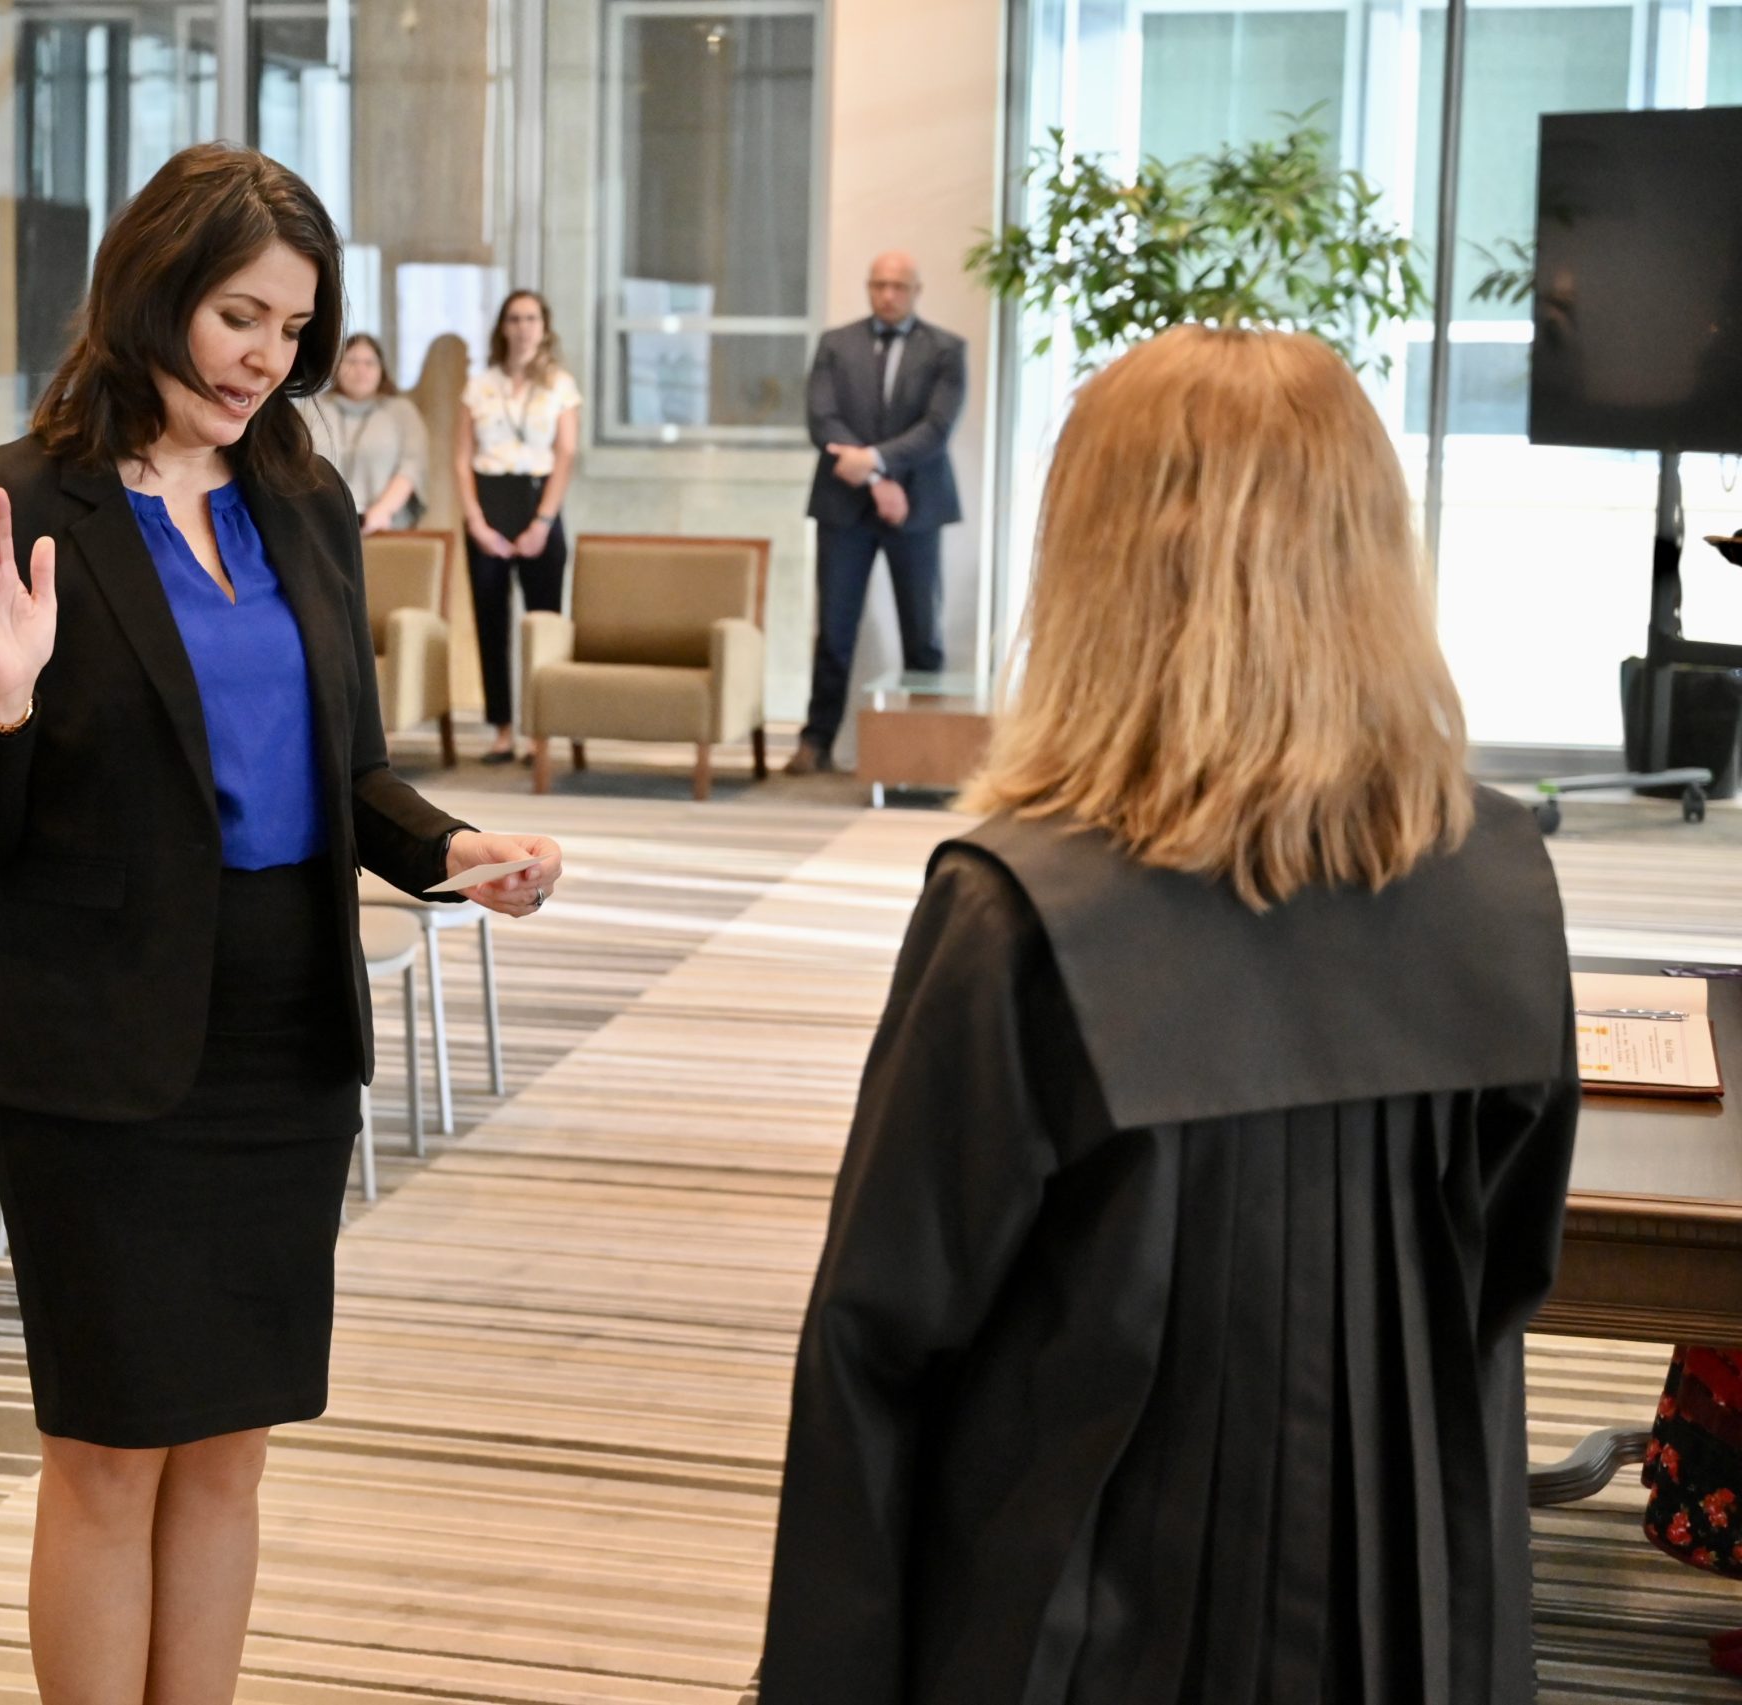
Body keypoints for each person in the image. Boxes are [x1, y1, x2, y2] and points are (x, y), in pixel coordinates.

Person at [758, 327, 1579, 1702]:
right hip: (1418, 1605)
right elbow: (1502, 1273)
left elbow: (881, 1345)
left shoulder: (1020, 910)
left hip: (1086, 1617)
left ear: (1098, 568)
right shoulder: (1499, 880)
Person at [0, 141, 564, 1701]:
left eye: (291, 325)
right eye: (237, 318)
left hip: (281, 1034)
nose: (266, 359)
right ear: (152, 294)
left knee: (228, 1455)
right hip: (104, 1053)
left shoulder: (301, 493)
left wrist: (456, 845)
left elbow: (347, 771)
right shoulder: (11, 503)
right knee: (110, 1457)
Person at [788, 250, 967, 775]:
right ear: (869, 288)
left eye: (898, 286)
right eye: (879, 284)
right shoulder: (834, 345)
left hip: (918, 505)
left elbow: (937, 428)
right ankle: (816, 741)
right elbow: (822, 421)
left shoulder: (946, 350)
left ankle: (924, 750)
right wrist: (874, 480)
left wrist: (880, 464)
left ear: (916, 290)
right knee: (834, 630)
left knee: (923, 634)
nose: (888, 294)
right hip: (844, 508)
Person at [454, 290, 580, 763]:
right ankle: (503, 728)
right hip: (489, 502)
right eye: (515, 318)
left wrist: (543, 521)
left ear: (544, 327)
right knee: (491, 621)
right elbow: (461, 457)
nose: (523, 327)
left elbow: (566, 454)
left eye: (531, 318)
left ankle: (540, 729)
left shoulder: (560, 385)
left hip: (539, 500)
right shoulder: (479, 384)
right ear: (502, 327)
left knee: (544, 618)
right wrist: (475, 521)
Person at [298, 333, 429, 534]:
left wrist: (382, 511)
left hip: (383, 526)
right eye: (352, 361)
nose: (360, 370)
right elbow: (295, 463)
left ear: (381, 369)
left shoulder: (401, 411)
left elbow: (411, 467)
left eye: (369, 363)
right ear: (337, 366)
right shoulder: (312, 407)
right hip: (319, 524)